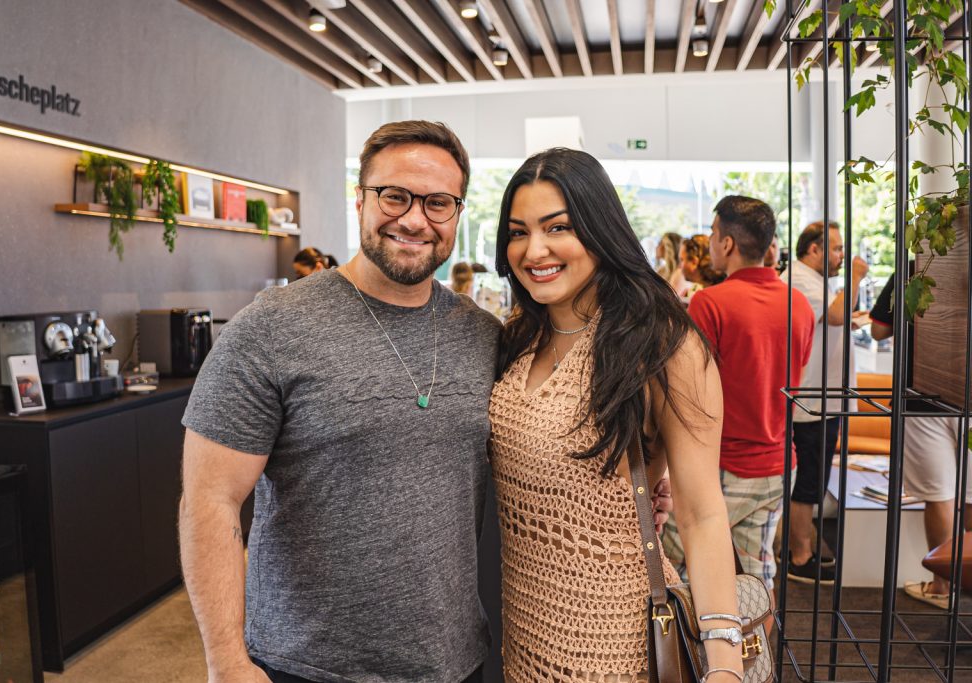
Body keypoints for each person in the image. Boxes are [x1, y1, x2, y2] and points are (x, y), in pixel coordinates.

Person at [179, 120, 503, 683]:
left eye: (437, 203)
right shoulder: (272, 328)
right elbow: (209, 501)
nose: (413, 218)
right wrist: (226, 662)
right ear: (360, 200)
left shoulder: (482, 334)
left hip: (454, 661)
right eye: (393, 195)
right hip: (305, 665)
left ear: (457, 213)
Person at [490, 148, 743, 683]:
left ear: (599, 228)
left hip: (615, 644)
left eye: (557, 227)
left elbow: (702, 514)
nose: (534, 250)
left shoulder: (663, 345)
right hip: (522, 636)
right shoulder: (517, 337)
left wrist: (725, 662)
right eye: (518, 232)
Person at [662, 196, 815, 591]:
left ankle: (687, 655)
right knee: (757, 579)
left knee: (674, 572)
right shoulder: (799, 304)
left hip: (722, 463)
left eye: (713, 235)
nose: (711, 243)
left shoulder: (709, 303)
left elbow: (690, 394)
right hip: (780, 461)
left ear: (727, 243)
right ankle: (756, 654)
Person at [869, 274, 972, 608]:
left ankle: (943, 586)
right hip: (966, 388)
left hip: (922, 390)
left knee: (939, 493)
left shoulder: (913, 268)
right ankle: (968, 585)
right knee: (970, 493)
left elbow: (879, 329)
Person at [782, 221, 867, 583]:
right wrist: (857, 278)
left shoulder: (812, 281)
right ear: (813, 249)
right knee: (810, 476)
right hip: (813, 397)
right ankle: (800, 556)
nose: (841, 256)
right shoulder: (800, 279)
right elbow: (833, 315)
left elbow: (831, 320)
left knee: (815, 473)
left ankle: (808, 543)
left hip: (823, 394)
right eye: (835, 249)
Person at [679, 233, 725, 300]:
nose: (680, 266)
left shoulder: (707, 297)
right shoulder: (696, 290)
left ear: (694, 262)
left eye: (682, 260)